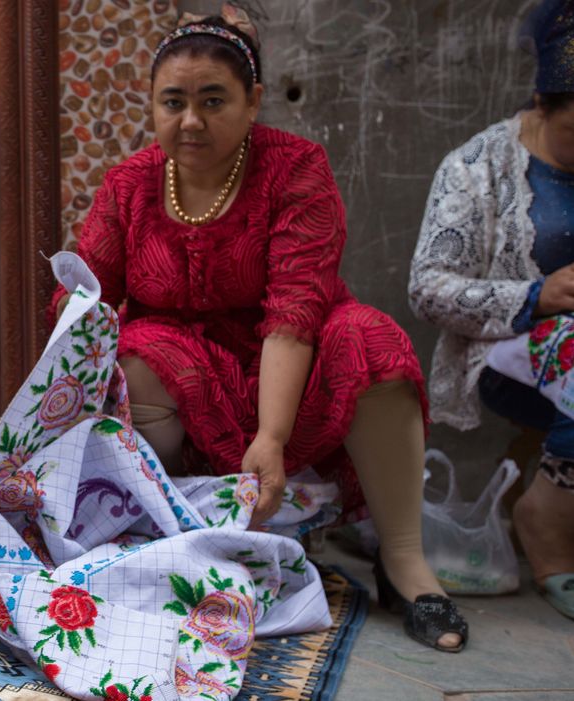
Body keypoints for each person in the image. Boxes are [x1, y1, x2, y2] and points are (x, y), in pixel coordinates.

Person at [53, 6, 467, 652]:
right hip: (183, 387)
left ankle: (404, 561)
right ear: (152, 105)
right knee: (137, 351)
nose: (191, 120)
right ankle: (165, 544)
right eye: (173, 102)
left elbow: (295, 312)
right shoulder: (129, 185)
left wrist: (271, 436)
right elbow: (86, 297)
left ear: (253, 102)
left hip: (289, 372)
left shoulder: (295, 168)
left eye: (213, 100)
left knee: (372, 340)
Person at [409, 0, 574, 622]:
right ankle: (548, 526)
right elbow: (427, 288)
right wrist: (536, 295)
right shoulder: (478, 167)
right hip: (507, 349)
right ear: (542, 104)